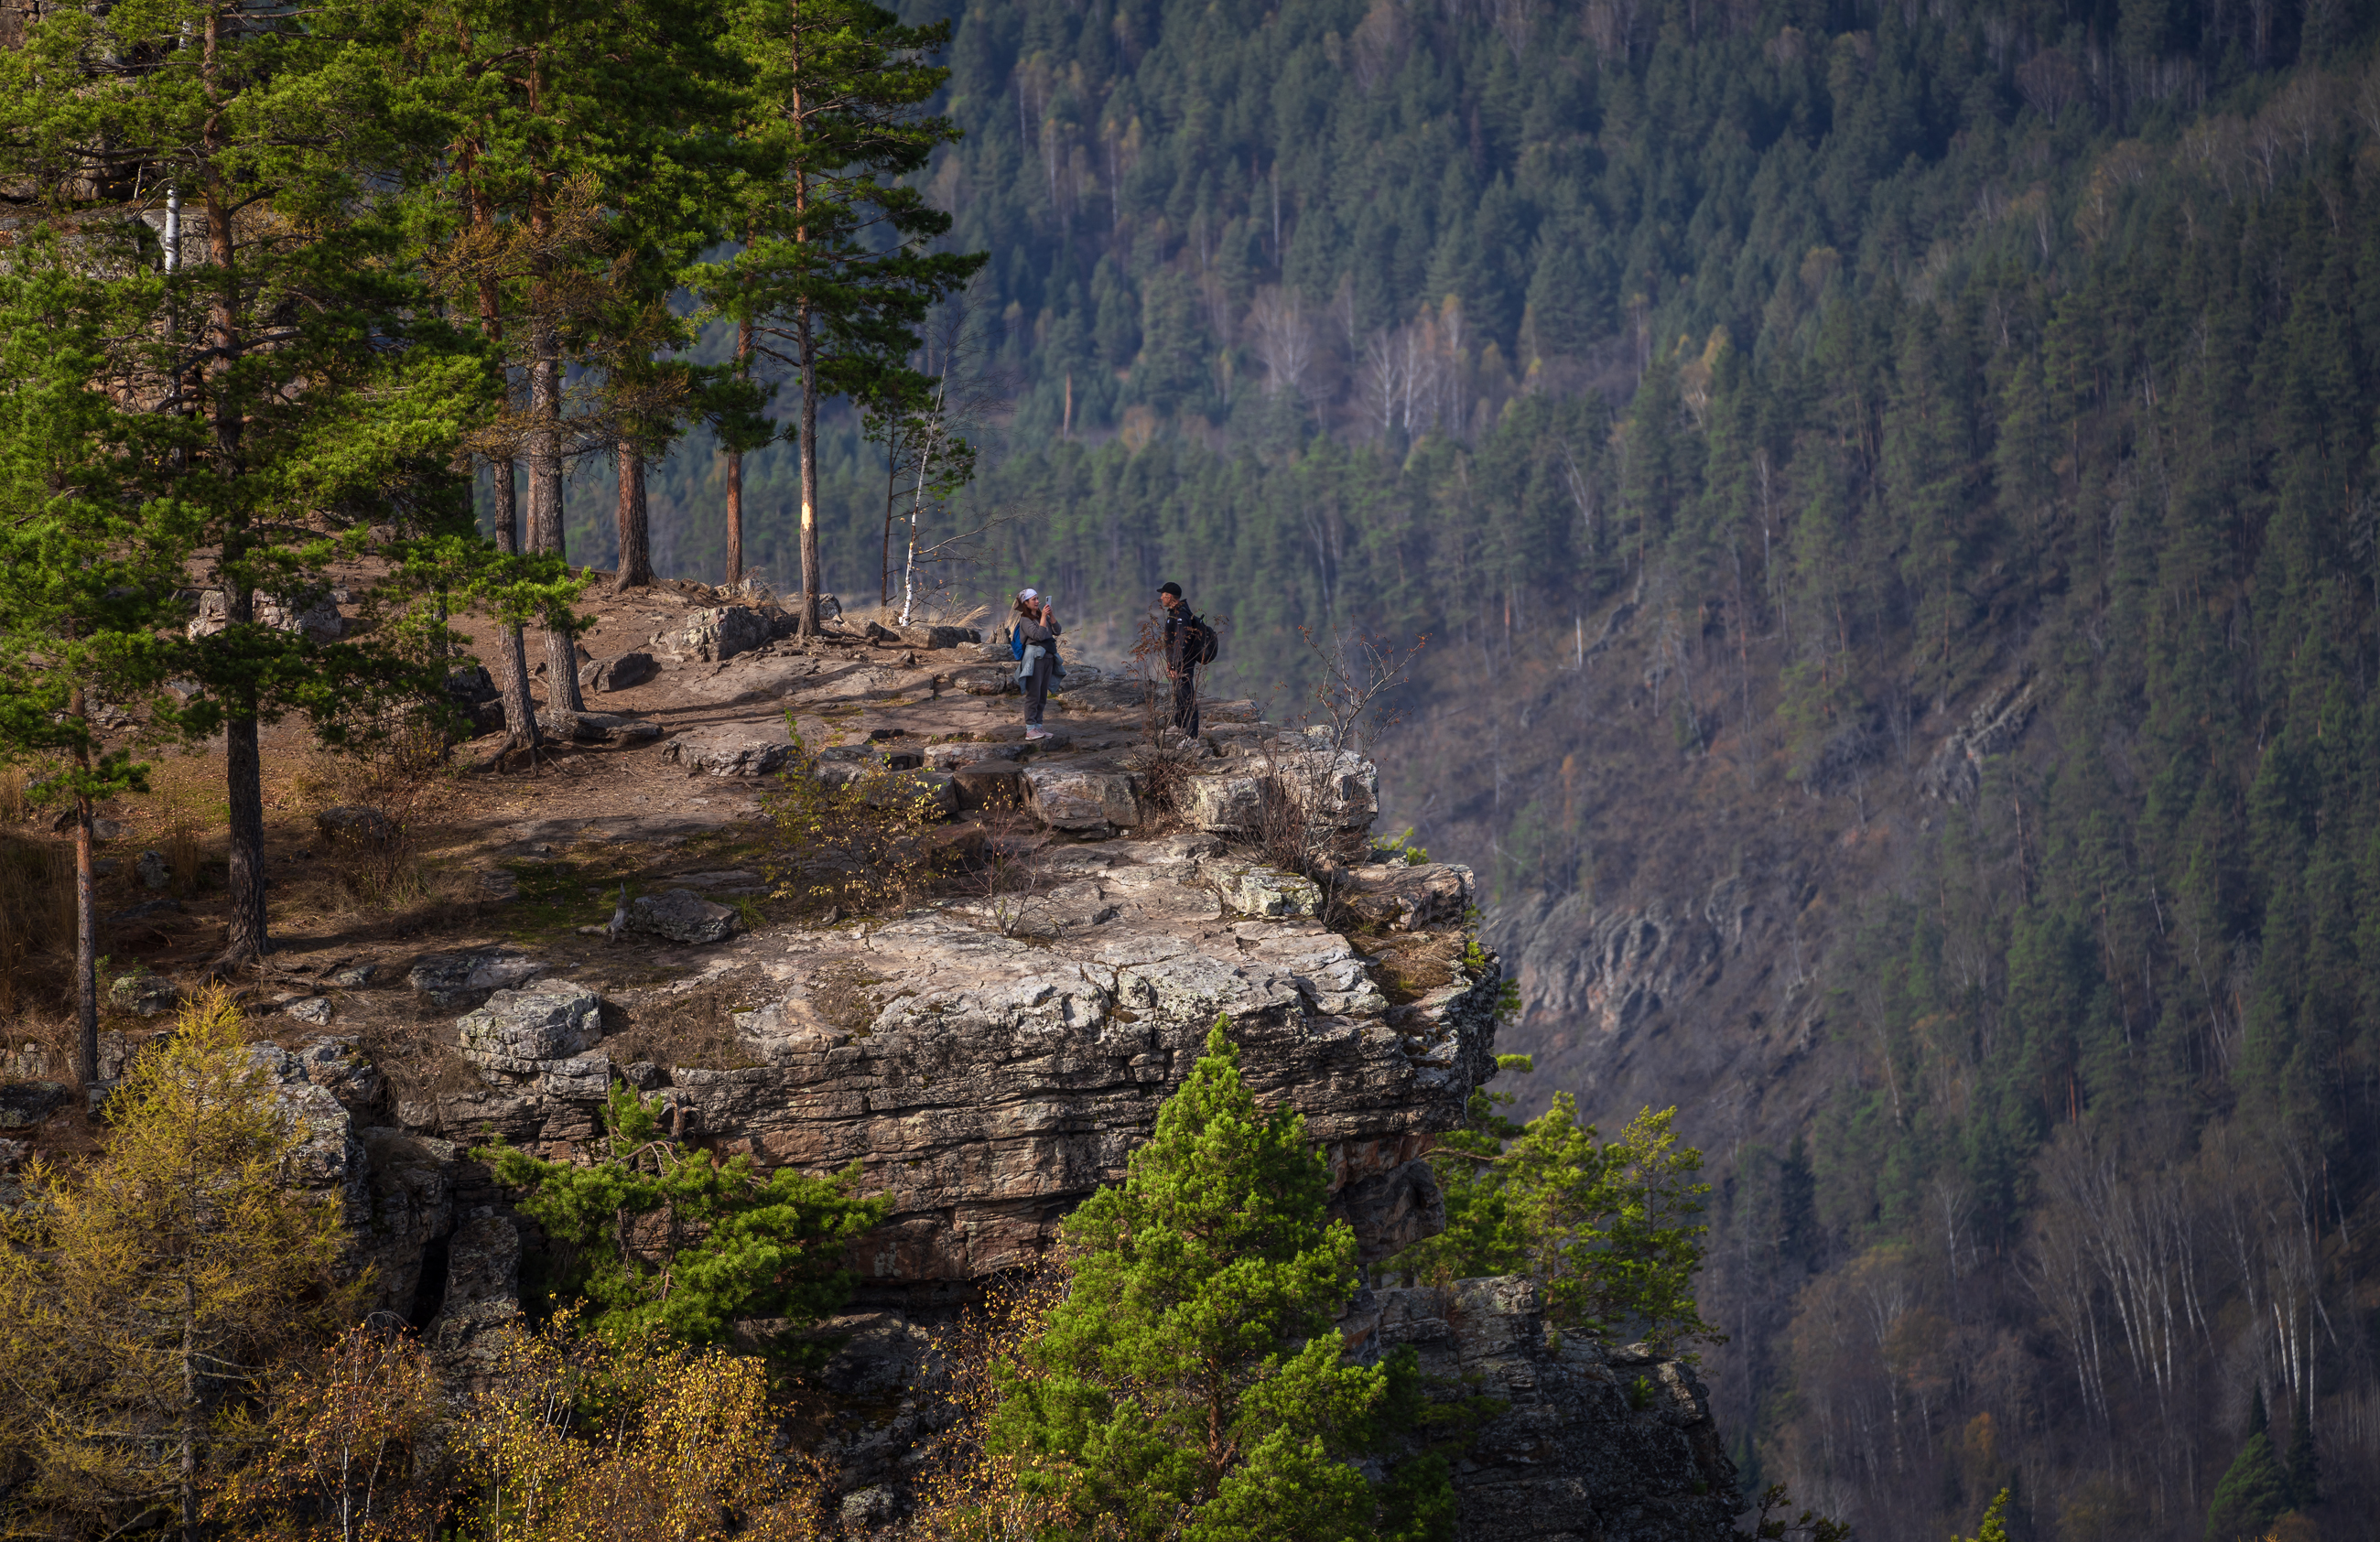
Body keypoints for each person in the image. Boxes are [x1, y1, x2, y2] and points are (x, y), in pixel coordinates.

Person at [1012, 588, 1061, 740]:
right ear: (1026, 603)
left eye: (1038, 599)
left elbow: (1057, 631)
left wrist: (1050, 616)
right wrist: (1043, 618)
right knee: (1033, 694)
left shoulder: (1042, 616)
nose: (1037, 602)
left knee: (1042, 694)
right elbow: (1038, 636)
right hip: (1034, 660)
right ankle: (1030, 728)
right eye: (1034, 599)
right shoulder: (1025, 620)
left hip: (1047, 658)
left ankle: (1038, 726)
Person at [1159, 581, 1204, 739]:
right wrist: (1170, 663)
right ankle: (1180, 725)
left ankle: (1192, 737)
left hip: (1183, 663)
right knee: (1179, 694)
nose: (1161, 598)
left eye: (1163, 595)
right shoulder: (1174, 613)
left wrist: (1177, 666)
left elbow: (1182, 644)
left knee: (1187, 698)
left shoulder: (1181, 616)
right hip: (1177, 663)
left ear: (1169, 597)